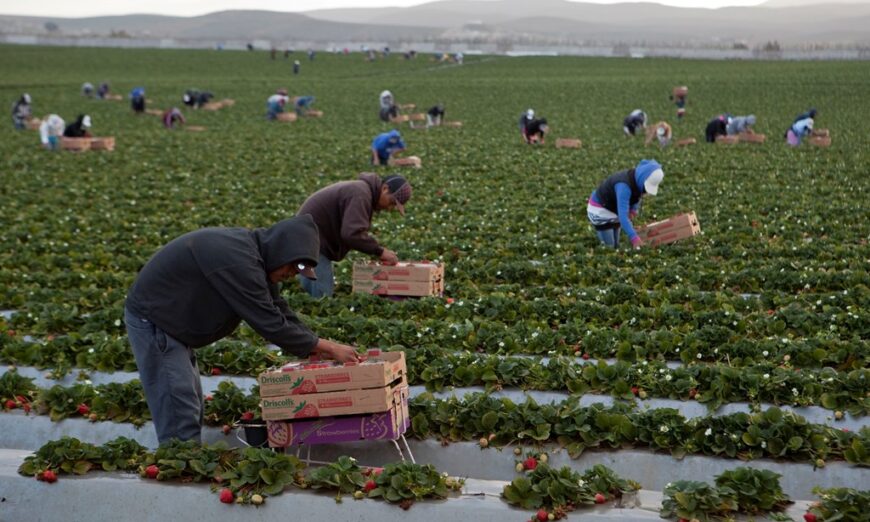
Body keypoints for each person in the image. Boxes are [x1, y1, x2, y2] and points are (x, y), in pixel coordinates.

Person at [125, 215, 360, 444]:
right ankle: (179, 468)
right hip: (156, 318)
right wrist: (325, 346)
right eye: (293, 267)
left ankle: (184, 458)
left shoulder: (257, 256)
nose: (291, 275)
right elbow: (268, 322)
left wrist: (315, 344)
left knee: (190, 398)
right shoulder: (238, 261)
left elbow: (278, 309)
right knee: (178, 401)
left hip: (175, 319)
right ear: (282, 251)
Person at [296, 174, 411, 297]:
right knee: (321, 297)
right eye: (391, 202)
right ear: (385, 189)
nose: (389, 208)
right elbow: (352, 233)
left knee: (312, 295)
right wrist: (380, 251)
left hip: (308, 238)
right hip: (309, 240)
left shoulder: (363, 191)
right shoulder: (361, 194)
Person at [587, 159, 664, 249]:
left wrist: (632, 211)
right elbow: (623, 216)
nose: (645, 191)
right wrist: (634, 238)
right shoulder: (623, 187)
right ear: (642, 179)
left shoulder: (636, 179)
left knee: (616, 245)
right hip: (600, 211)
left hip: (613, 209)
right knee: (610, 247)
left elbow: (637, 195)